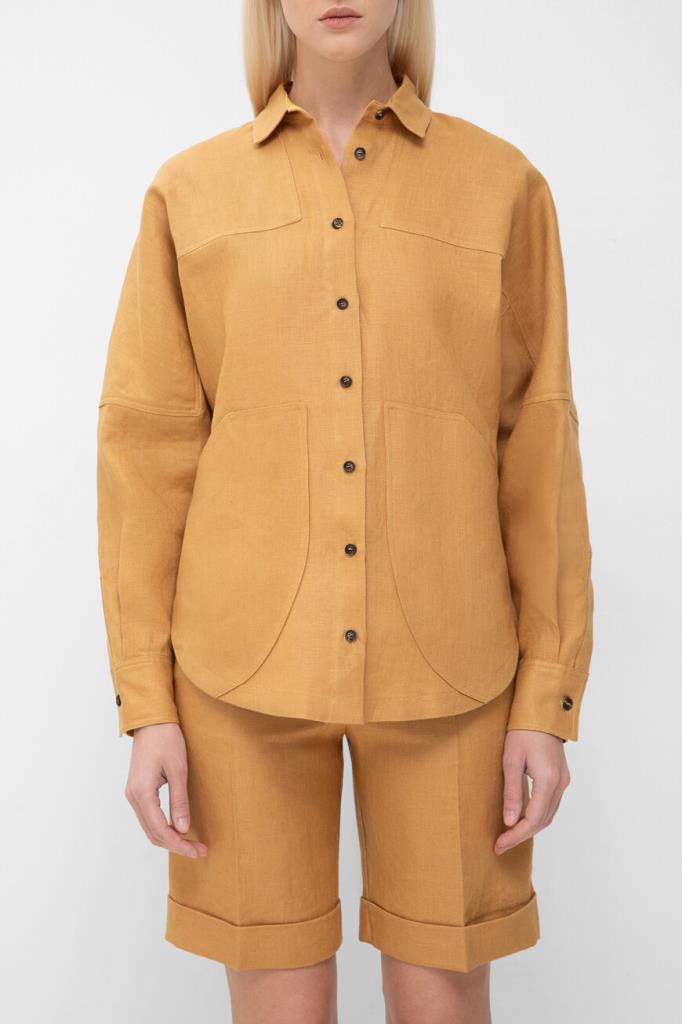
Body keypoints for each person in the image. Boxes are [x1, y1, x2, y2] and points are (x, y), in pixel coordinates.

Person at [96, 1, 594, 1021]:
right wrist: (148, 704)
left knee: (441, 1001)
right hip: (239, 679)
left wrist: (545, 702)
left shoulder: (502, 186)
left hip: (452, 674)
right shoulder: (189, 192)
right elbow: (146, 453)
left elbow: (538, 444)